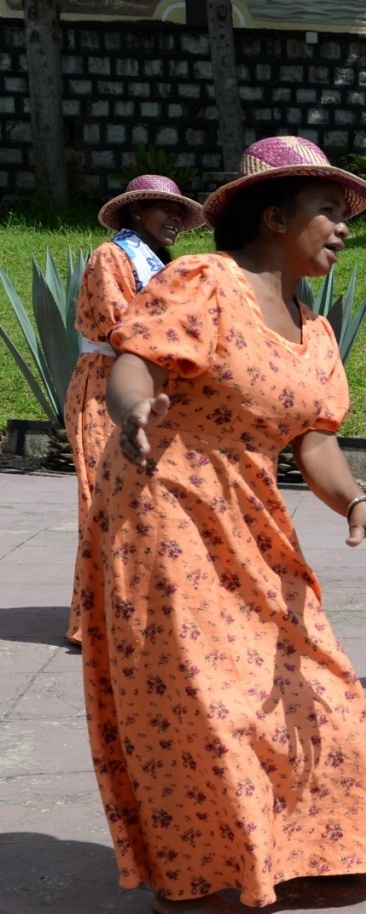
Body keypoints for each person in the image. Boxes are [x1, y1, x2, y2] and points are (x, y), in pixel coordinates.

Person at [85, 136, 366, 914]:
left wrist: (358, 503)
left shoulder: (317, 330)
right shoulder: (204, 280)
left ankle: (298, 850)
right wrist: (132, 409)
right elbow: (137, 361)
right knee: (205, 701)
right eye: (327, 214)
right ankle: (191, 876)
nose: (342, 229)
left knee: (320, 683)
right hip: (164, 511)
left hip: (253, 522)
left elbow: (316, 443)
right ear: (274, 217)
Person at [64, 174, 204, 645]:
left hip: (147, 387)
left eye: (180, 215)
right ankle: (96, 620)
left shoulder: (161, 263)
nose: (175, 223)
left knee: (141, 501)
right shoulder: (112, 256)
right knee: (104, 500)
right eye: (165, 211)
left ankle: (135, 609)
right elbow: (117, 324)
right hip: (107, 387)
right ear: (137, 212)